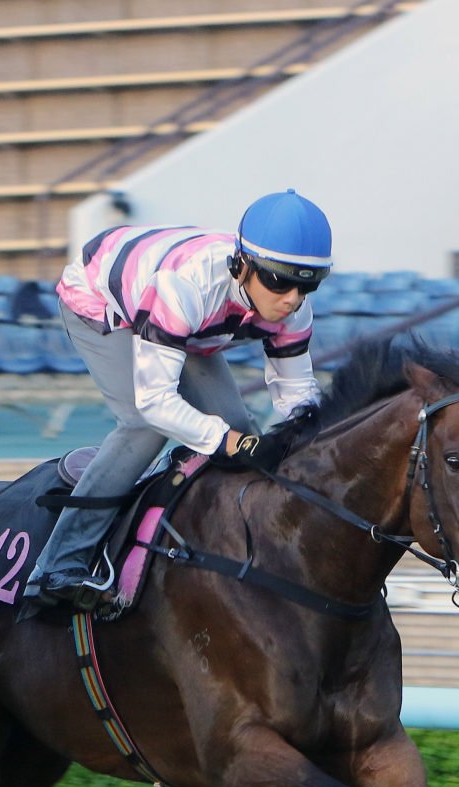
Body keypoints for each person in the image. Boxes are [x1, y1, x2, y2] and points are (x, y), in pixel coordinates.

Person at [22, 189, 331, 612]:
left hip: (185, 324)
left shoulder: (293, 307)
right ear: (242, 265)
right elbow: (154, 402)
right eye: (279, 280)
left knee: (238, 429)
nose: (292, 298)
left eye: (307, 284)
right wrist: (226, 441)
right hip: (103, 301)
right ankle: (59, 564)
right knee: (144, 426)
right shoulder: (188, 285)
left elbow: (298, 396)